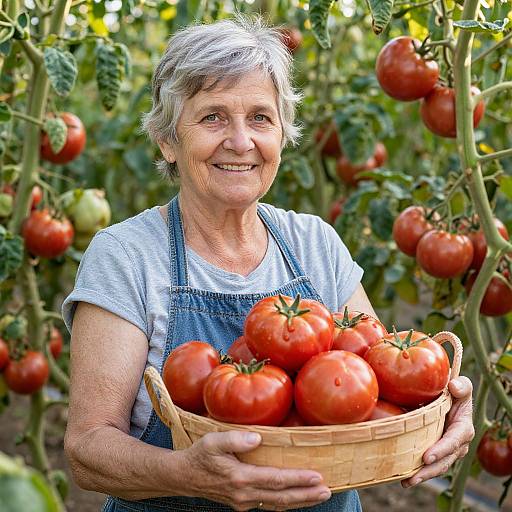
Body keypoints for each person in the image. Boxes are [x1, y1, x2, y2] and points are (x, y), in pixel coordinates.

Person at [62, 15, 474, 512]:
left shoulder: (314, 241)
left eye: (260, 117)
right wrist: (186, 475)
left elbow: (385, 385)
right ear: (168, 140)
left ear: (282, 135)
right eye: (212, 117)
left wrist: (442, 408)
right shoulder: (126, 255)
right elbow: (88, 449)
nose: (241, 142)